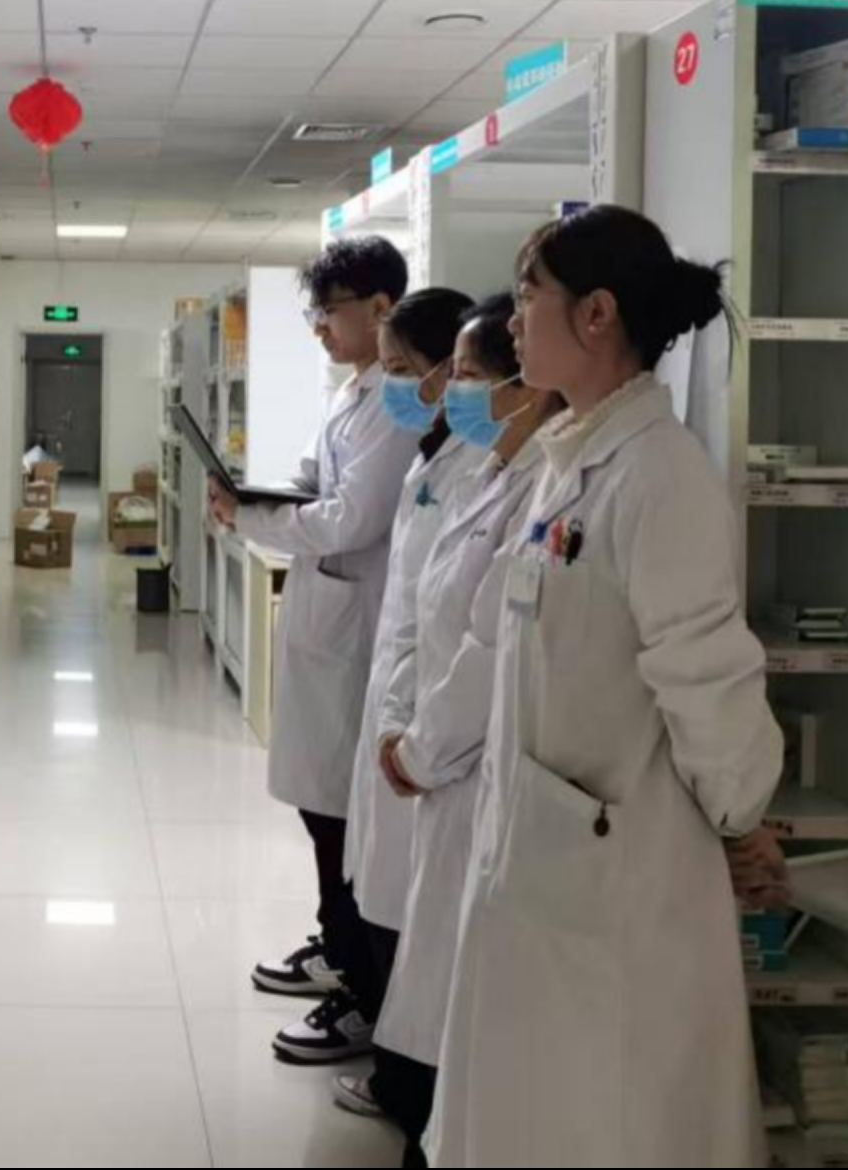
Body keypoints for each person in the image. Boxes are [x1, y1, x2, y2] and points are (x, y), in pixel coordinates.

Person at [426, 206, 788, 1167]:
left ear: (597, 314)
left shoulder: (660, 477)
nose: (510, 322)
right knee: (537, 1107)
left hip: (614, 878)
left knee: (608, 1118)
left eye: (528, 296)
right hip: (546, 856)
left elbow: (706, 677)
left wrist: (741, 816)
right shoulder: (572, 460)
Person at [209, 237, 421, 1065]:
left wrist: (253, 518)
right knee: (321, 809)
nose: (319, 329)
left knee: (341, 814)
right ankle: (339, 948)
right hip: (325, 621)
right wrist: (261, 496)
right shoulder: (353, 393)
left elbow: (352, 519)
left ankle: (361, 988)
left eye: (328, 312)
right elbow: (315, 483)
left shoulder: (398, 406)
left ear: (380, 308)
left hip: (359, 635)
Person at [366, 295, 564, 1166]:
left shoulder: (541, 490)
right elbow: (425, 610)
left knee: (460, 1009)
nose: (454, 393)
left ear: (529, 389)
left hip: (469, 768)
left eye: (473, 376)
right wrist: (403, 725)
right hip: (431, 751)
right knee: (433, 987)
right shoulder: (484, 472)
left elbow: (488, 646)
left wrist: (417, 746)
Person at [324, 286, 487, 1118]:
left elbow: (466, 634)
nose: (393, 385)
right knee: (389, 904)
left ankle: (409, 1090)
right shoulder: (437, 459)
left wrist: (415, 739)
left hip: (434, 742)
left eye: (403, 368)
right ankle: (398, 1073)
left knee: (417, 924)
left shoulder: (479, 472)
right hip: (402, 719)